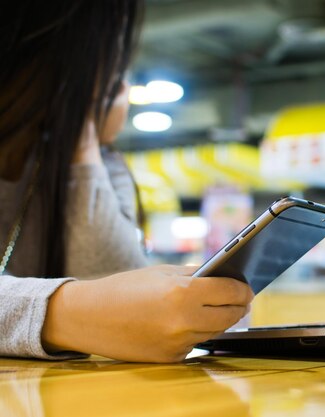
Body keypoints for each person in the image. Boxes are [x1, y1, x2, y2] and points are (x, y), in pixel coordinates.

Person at [0, 0, 253, 362]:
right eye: (107, 59)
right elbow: (109, 311)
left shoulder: (100, 164)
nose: (117, 80)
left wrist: (82, 139)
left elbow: (117, 290)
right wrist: (65, 315)